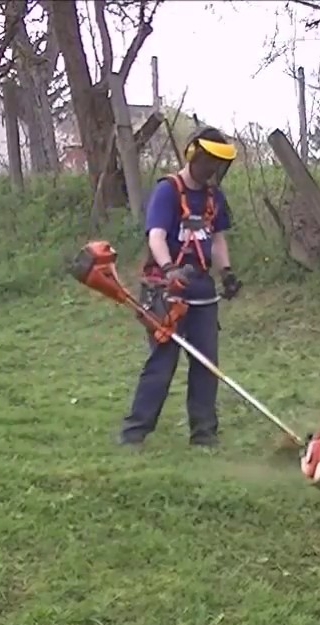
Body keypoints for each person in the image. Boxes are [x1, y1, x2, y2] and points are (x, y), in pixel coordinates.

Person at [119, 126, 243, 448]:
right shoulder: (168, 190)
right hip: (166, 288)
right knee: (162, 362)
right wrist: (169, 268)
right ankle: (134, 433)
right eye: (209, 163)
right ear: (194, 156)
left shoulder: (215, 197)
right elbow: (156, 236)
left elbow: (216, 238)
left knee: (206, 363)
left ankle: (204, 434)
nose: (214, 170)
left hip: (201, 287)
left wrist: (226, 273)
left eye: (219, 165)